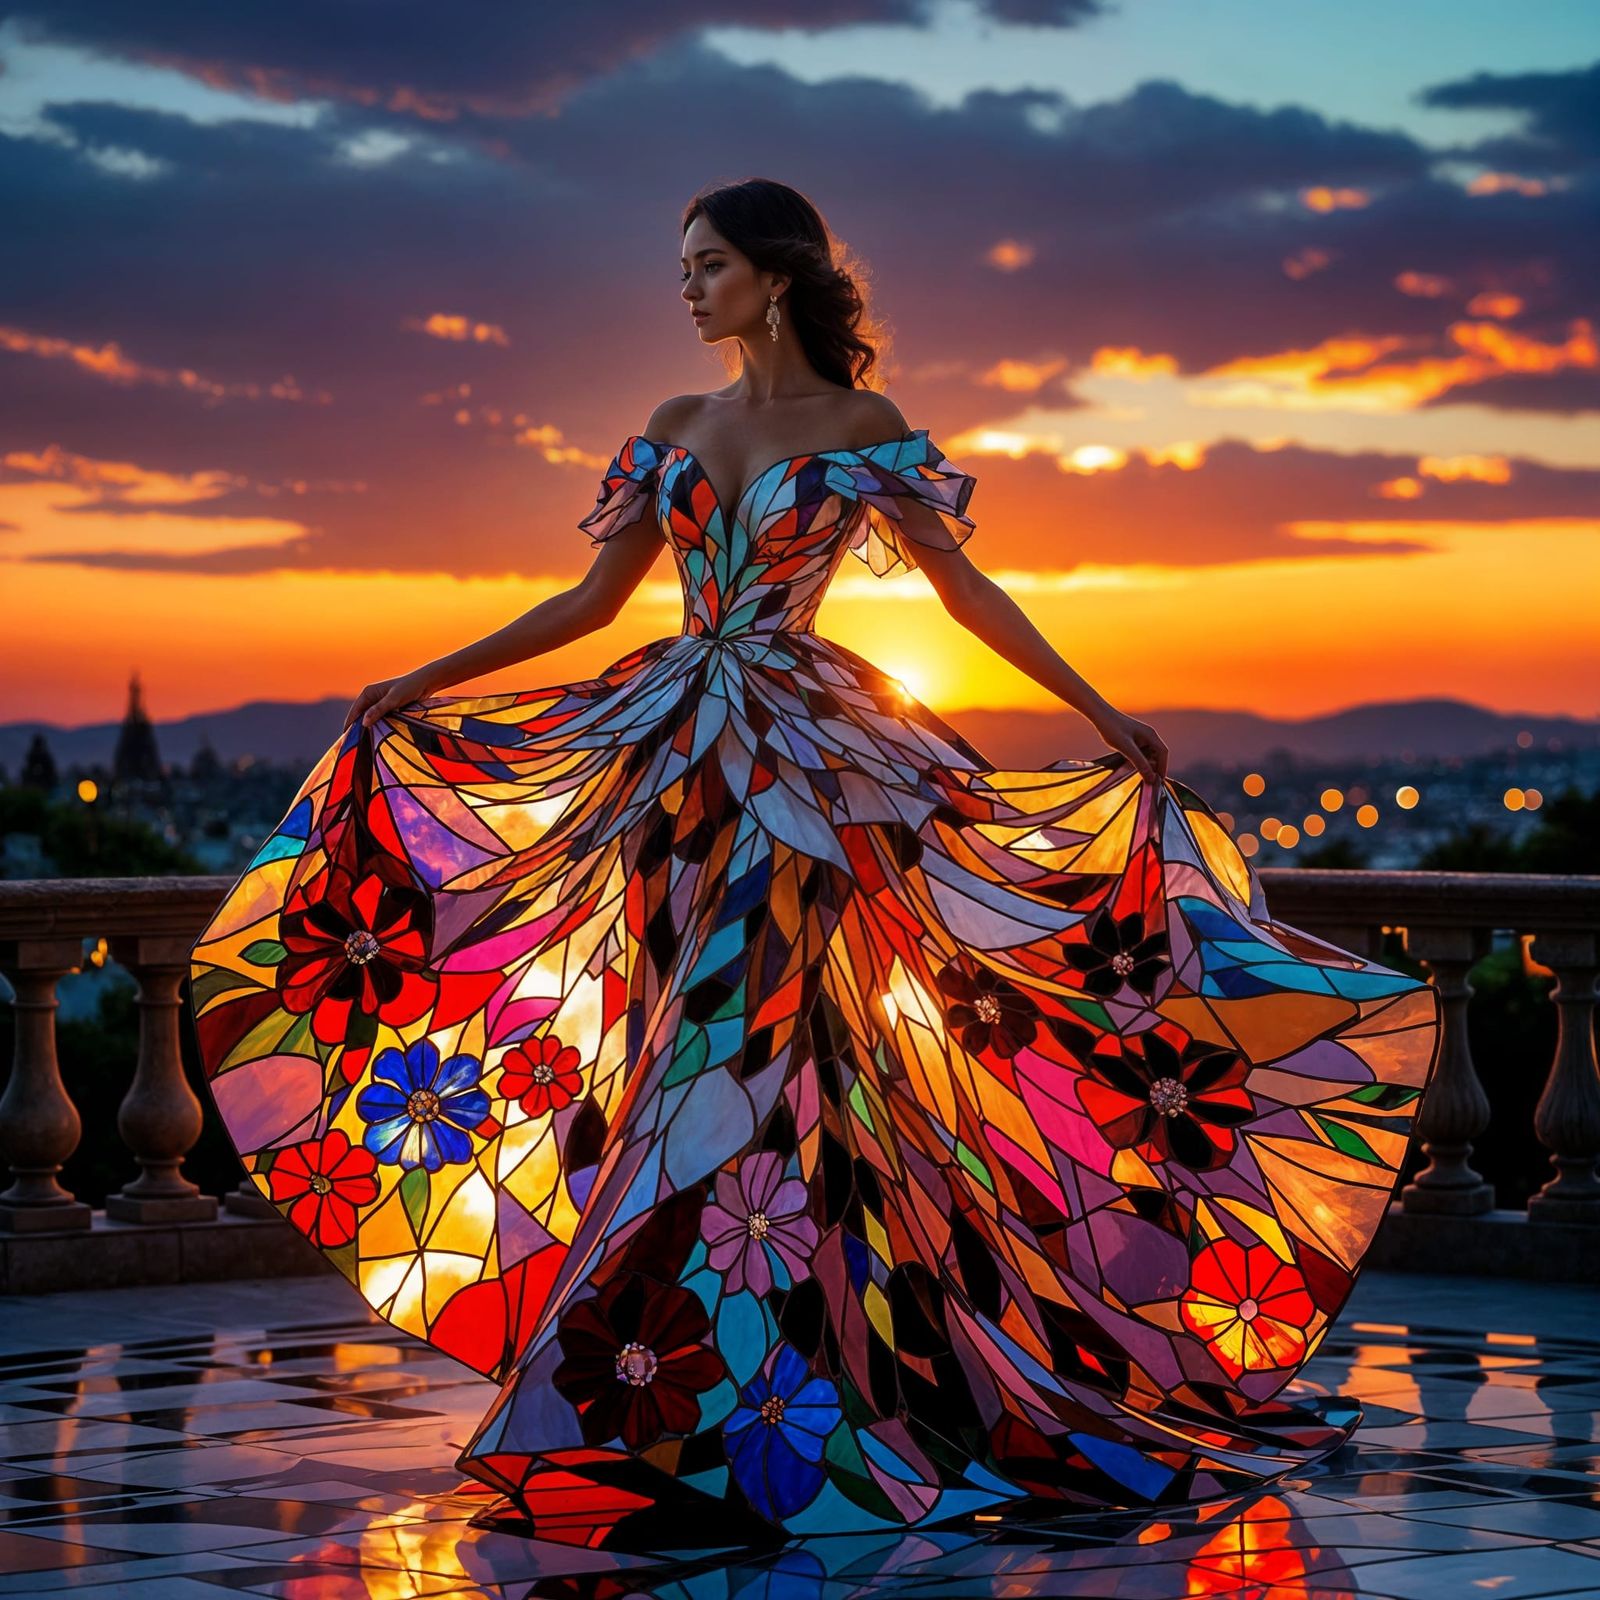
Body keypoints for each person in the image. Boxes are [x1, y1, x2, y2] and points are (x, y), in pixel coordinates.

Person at [189, 177, 1443, 1549]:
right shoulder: (674, 424)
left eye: (708, 265)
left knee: (750, 1072)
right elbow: (593, 600)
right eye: (682, 268)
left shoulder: (863, 426)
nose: (687, 289)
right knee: (676, 1069)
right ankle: (674, 1388)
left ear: (775, 277)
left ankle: (778, 1403)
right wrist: (425, 678)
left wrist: (1097, 712)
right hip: (670, 766)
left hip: (803, 775)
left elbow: (964, 591)